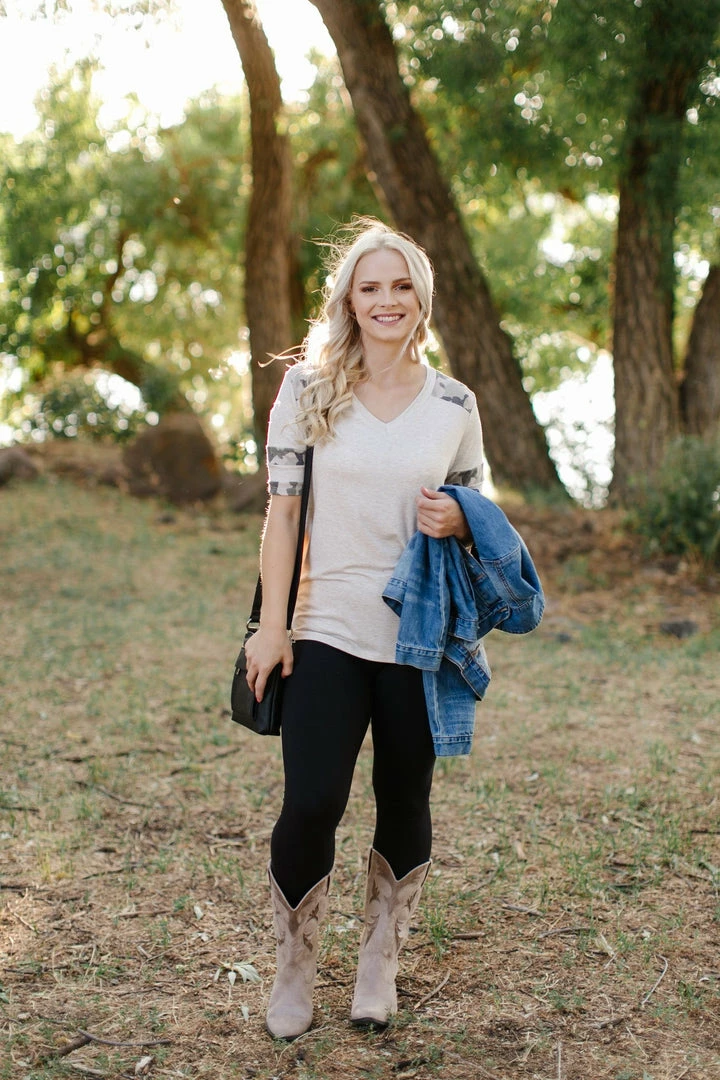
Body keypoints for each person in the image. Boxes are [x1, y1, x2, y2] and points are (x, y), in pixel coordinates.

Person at [244, 218, 484, 1040]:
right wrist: (272, 627)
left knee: (404, 795)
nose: (387, 300)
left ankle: (380, 956)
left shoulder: (454, 404)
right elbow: (282, 515)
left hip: (420, 634)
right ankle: (295, 966)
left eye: (401, 285)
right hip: (324, 623)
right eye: (370, 286)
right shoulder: (306, 389)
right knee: (312, 800)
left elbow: (476, 511)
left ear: (422, 297)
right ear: (349, 300)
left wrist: (460, 519)